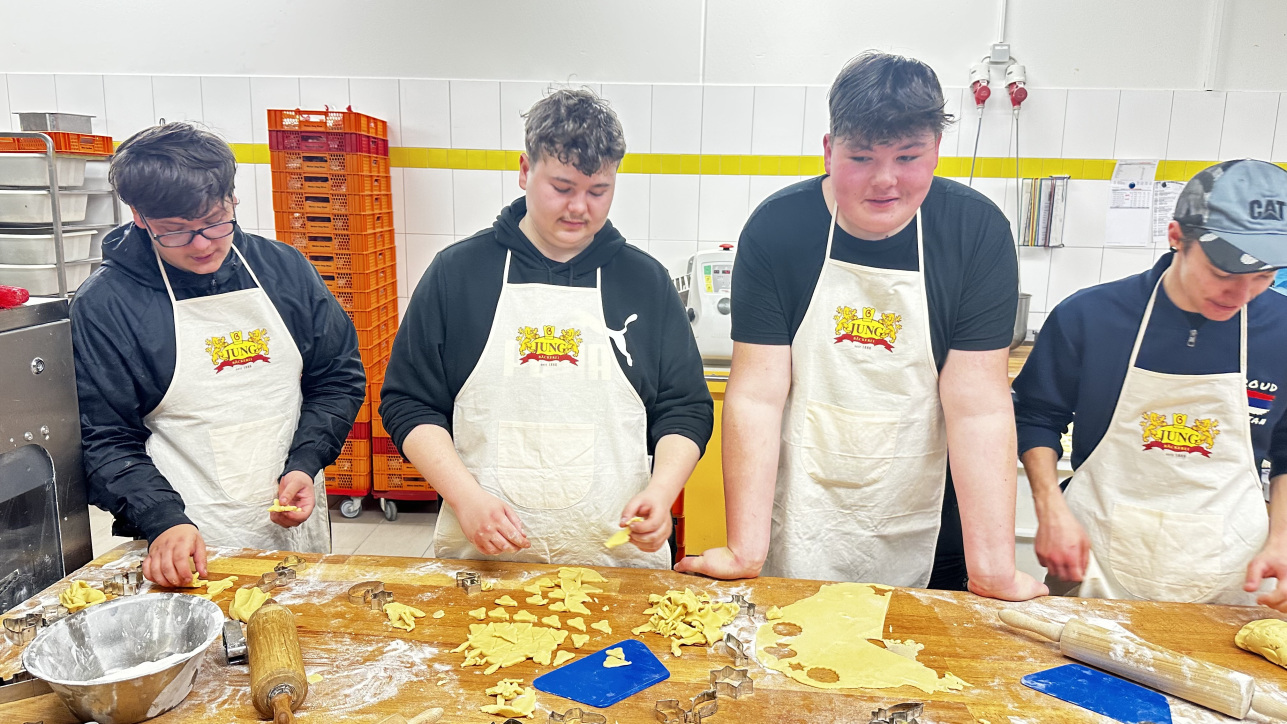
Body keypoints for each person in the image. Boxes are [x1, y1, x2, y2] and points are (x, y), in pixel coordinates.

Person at [677, 51, 1045, 602]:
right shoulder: (779, 229)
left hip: (928, 524)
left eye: (908, 156)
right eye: (862, 157)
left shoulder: (976, 232)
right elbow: (756, 395)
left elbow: (978, 406)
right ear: (829, 151)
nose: (885, 180)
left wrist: (992, 567)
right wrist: (744, 549)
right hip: (802, 508)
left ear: (936, 150)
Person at [379, 89, 712, 567]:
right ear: (524, 170)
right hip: (485, 565)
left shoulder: (645, 283)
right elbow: (409, 402)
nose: (579, 207)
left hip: (617, 567)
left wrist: (662, 491)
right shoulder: (458, 274)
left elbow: (685, 408)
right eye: (562, 187)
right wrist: (465, 499)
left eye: (598, 191)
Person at [72, 122, 366, 587]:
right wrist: (161, 518)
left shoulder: (283, 270)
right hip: (184, 544)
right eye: (176, 232)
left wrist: (306, 461)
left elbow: (336, 378)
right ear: (139, 217)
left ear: (232, 198)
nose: (203, 244)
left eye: (214, 222)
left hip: (294, 525)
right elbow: (103, 438)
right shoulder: (107, 304)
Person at [1014, 159, 1287, 608]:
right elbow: (1037, 416)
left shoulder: (1282, 330)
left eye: (1262, 278)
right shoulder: (1091, 316)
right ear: (1176, 236)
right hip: (1095, 559)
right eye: (1223, 274)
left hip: (1232, 568)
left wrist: (1283, 538)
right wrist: (1050, 508)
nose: (1241, 296)